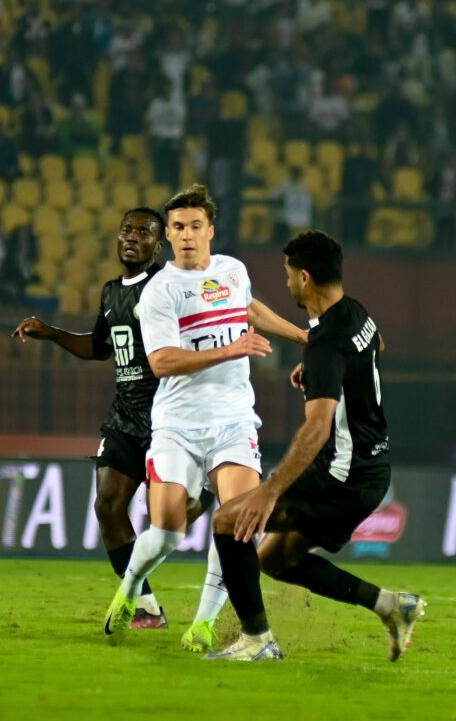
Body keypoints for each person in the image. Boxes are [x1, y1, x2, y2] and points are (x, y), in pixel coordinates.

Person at [103, 184, 307, 650]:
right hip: (177, 424)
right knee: (168, 533)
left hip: (234, 419)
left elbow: (247, 306)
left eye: (196, 226)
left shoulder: (233, 270)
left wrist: (300, 335)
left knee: (236, 523)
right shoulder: (159, 292)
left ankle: (204, 624)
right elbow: (162, 362)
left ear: (210, 230)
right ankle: (131, 587)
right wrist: (230, 348)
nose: (188, 235)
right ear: (168, 237)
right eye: (178, 228)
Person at [208, 230, 426, 661]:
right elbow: (373, 348)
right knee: (274, 559)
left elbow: (317, 430)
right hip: (370, 471)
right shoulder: (357, 313)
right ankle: (392, 606)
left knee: (229, 522)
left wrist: (269, 492)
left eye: (288, 275)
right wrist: (325, 379)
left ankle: (256, 640)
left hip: (341, 475)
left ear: (304, 278)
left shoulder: (324, 345)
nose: (286, 283)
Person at [13, 207, 219, 630]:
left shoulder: (168, 286)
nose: (132, 237)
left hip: (168, 415)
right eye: (126, 229)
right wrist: (51, 332)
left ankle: (203, 498)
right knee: (108, 505)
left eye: (143, 232)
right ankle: (145, 604)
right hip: (125, 416)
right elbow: (100, 347)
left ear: (157, 246)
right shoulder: (111, 292)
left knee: (171, 516)